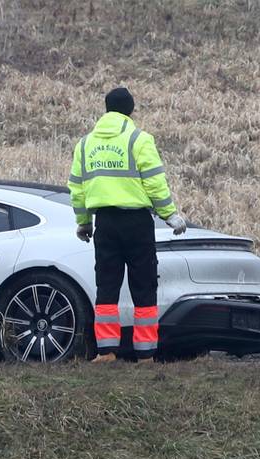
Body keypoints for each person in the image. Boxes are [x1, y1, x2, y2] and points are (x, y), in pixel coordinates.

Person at [67, 88, 186, 363]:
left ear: (106, 109)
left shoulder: (85, 144)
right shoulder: (139, 139)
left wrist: (84, 222)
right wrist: (169, 214)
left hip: (105, 223)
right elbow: (154, 182)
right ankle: (145, 353)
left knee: (106, 285)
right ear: (131, 111)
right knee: (143, 284)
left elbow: (77, 188)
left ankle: (106, 351)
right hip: (136, 222)